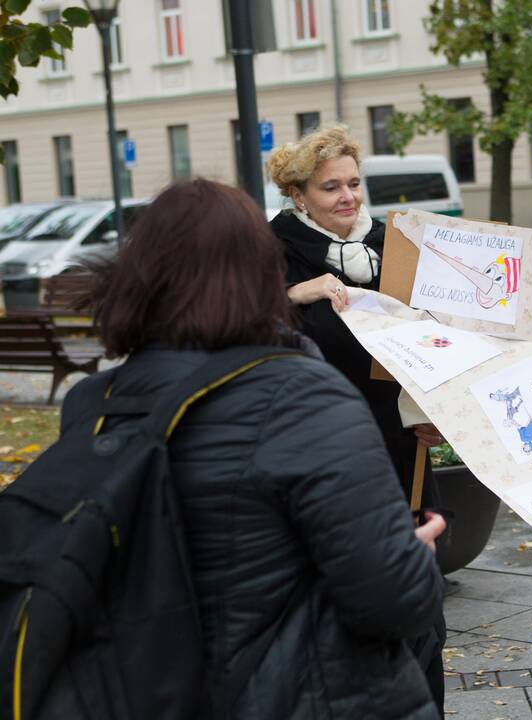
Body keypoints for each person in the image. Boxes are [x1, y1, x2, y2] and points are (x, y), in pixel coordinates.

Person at [70, 179, 446, 719]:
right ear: (257, 272)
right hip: (289, 691)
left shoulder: (93, 402)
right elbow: (391, 600)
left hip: (144, 687)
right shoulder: (304, 396)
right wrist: (417, 560)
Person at [265, 126, 449, 712]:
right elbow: (246, 320)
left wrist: (431, 412)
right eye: (330, 187)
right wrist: (297, 293)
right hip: (324, 449)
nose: (348, 197)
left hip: (403, 443)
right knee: (349, 599)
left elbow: (433, 335)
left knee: (420, 600)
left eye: (353, 182)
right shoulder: (273, 250)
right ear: (298, 196)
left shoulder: (394, 243)